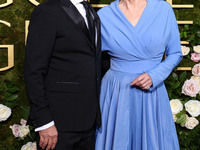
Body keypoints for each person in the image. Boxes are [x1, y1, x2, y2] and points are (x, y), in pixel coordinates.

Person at [95, 0, 182, 149]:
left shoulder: (163, 9)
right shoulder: (104, 15)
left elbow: (175, 53)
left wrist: (155, 76)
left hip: (152, 93)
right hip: (116, 94)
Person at [24, 0, 101, 149]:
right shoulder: (48, 11)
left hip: (88, 120)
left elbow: (91, 59)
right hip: (58, 123)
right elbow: (34, 70)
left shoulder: (90, 11)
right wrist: (44, 121)